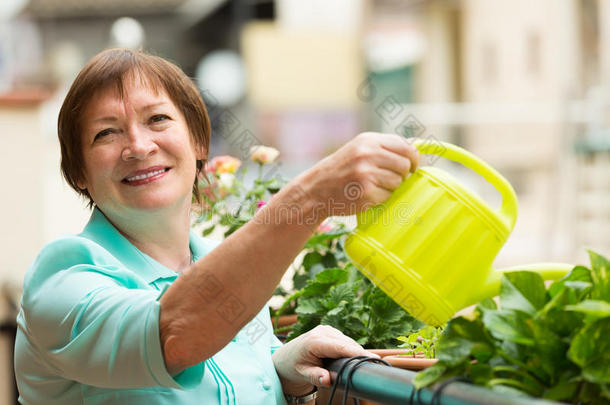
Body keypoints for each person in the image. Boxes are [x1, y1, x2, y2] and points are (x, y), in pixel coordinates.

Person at [14, 48, 420, 405]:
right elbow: (174, 334)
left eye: (157, 119)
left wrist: (282, 374)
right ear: (78, 171)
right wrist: (311, 196)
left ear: (199, 142)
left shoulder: (224, 267)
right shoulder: (63, 277)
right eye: (106, 133)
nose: (138, 146)